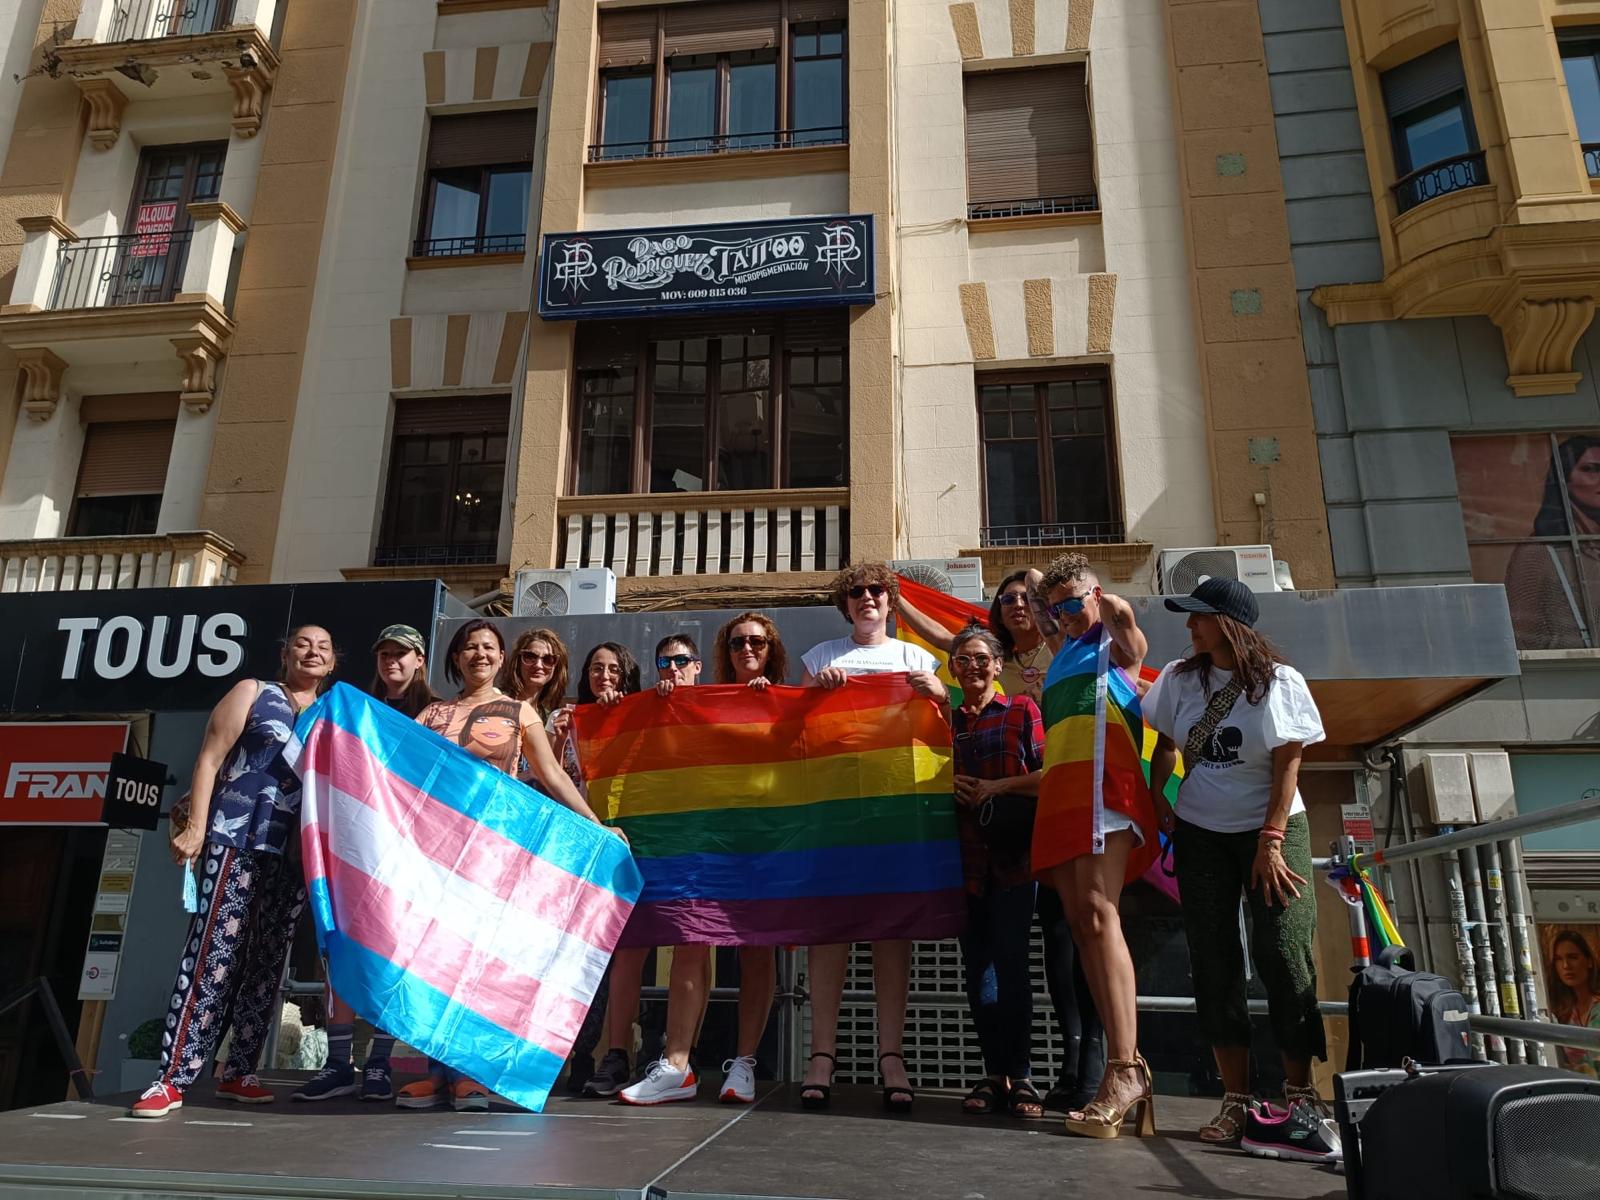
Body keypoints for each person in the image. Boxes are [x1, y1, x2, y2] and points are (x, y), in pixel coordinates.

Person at [395, 619, 616, 1113]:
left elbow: (551, 774)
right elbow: (400, 769)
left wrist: (596, 825)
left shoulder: (519, 711)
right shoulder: (433, 712)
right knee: (436, 960)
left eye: (489, 647)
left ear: (501, 658)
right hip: (436, 854)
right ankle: (436, 1072)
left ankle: (472, 1074)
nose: (479, 654)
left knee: (480, 962)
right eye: (470, 647)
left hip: (493, 855)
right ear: (456, 658)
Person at [1144, 576, 1328, 1145]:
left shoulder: (1279, 681)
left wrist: (1272, 839)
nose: (1189, 625)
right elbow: (1165, 742)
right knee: (1214, 959)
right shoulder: (1178, 679)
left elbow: (1289, 762)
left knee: (1282, 949)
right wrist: (1159, 797)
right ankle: (1236, 1100)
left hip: (1271, 828)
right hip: (1201, 831)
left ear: (1228, 624)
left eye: (1198, 616)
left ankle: (1300, 1095)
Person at [131, 626, 338, 1118]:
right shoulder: (254, 692)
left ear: (333, 664)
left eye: (324, 648)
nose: (313, 652)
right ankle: (173, 1077)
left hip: (293, 852)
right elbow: (209, 758)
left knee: (268, 962)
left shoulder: (336, 713)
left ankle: (240, 1070)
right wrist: (197, 828)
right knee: (213, 952)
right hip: (236, 836)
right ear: (285, 653)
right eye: (304, 644)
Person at [616, 617, 788, 1106]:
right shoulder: (690, 703)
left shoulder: (781, 699)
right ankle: (676, 1066)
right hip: (703, 839)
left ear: (771, 647)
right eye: (737, 642)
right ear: (723, 651)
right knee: (691, 939)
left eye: (757, 640)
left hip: (759, 838)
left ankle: (745, 1064)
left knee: (756, 947)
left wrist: (770, 699)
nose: (747, 648)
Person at [798, 562, 949, 1113]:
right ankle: (821, 1055)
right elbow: (794, 733)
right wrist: (815, 693)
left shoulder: (918, 658)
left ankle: (891, 1055)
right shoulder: (819, 658)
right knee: (829, 931)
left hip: (897, 815)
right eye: (857, 592)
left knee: (892, 932)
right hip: (834, 816)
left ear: (890, 602)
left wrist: (938, 694)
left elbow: (949, 727)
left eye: (876, 591)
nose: (866, 598)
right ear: (846, 604)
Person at [1026, 552, 1157, 1139]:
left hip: (1107, 783)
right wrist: (1053, 598)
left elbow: (1133, 639)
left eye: (1073, 605)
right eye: (1054, 609)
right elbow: (1038, 596)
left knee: (1101, 916)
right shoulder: (1064, 650)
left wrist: (1106, 606)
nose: (1063, 616)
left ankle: (1126, 1067)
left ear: (1097, 596)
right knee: (1082, 921)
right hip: (1068, 788)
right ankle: (1124, 1069)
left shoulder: (1112, 633)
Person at [294, 624, 436, 1104]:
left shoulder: (435, 713)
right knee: (341, 946)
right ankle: (337, 1064)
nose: (391, 661)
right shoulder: (351, 706)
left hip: (407, 855)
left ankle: (377, 1063)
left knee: (391, 954)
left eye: (401, 653)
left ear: (420, 658)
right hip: (352, 846)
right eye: (384, 653)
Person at [945, 624, 1046, 1119]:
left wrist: (995, 789)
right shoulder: (942, 721)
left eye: (981, 658)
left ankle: (1023, 1075)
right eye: (963, 659)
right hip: (964, 863)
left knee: (1011, 965)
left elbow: (1050, 775)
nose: (973, 666)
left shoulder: (1024, 710)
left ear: (998, 663)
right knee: (978, 970)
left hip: (1014, 861)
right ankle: (993, 1073)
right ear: (952, 668)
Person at [576, 641, 651, 1098]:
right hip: (574, 848)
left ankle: (614, 1053)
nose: (604, 676)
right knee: (578, 957)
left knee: (623, 954)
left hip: (623, 846)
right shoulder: (566, 721)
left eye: (613, 669)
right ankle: (576, 1054)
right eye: (596, 668)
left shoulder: (639, 721)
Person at [897, 568, 1055, 704]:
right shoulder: (995, 657)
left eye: (1027, 598)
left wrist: (1032, 578)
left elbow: (1037, 578)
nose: (1018, 604)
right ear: (999, 614)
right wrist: (894, 597)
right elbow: (940, 637)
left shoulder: (1061, 645)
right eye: (1008, 599)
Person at [1505, 434, 1600, 649]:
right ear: (1565, 477)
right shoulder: (1538, 552)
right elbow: (1520, 636)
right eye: (1591, 469)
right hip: (1570, 674)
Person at [1548, 930, 1600, 1078]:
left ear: (1589, 961)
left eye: (1573, 957)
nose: (1566, 965)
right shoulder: (1561, 1012)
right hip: (1579, 1093)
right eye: (1559, 959)